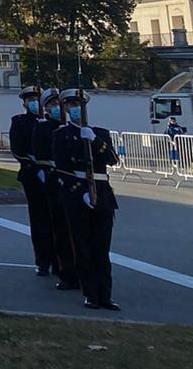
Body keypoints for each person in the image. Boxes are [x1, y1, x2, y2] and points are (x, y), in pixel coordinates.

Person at [52, 85, 119, 310]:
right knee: (83, 247)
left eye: (78, 105)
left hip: (102, 193)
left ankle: (105, 295)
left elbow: (112, 160)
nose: (75, 109)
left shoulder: (99, 133)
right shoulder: (61, 135)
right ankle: (90, 293)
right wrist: (80, 192)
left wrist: (94, 141)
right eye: (71, 105)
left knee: (102, 248)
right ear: (66, 108)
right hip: (77, 195)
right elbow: (61, 169)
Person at [33, 86, 77, 292]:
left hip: (74, 182)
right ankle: (63, 269)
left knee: (75, 230)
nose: (57, 108)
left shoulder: (73, 127)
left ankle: (80, 269)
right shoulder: (42, 128)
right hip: (54, 179)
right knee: (58, 226)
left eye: (60, 104)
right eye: (52, 104)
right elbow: (40, 155)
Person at [8, 83, 54, 277]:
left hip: (54, 174)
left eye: (37, 100)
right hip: (32, 173)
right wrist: (35, 163)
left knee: (58, 219)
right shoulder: (20, 122)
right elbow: (17, 148)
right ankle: (42, 260)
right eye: (31, 101)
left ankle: (61, 260)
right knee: (39, 219)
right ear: (25, 103)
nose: (35, 103)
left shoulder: (52, 121)